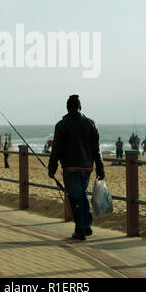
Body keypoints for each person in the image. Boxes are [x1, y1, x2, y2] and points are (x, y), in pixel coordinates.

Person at [48, 94, 105, 241]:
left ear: (68, 109)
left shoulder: (61, 125)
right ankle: (86, 226)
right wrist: (100, 167)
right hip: (87, 167)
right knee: (82, 194)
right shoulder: (90, 123)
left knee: (76, 198)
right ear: (80, 107)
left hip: (70, 167)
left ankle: (81, 229)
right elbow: (96, 149)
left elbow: (56, 149)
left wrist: (52, 167)